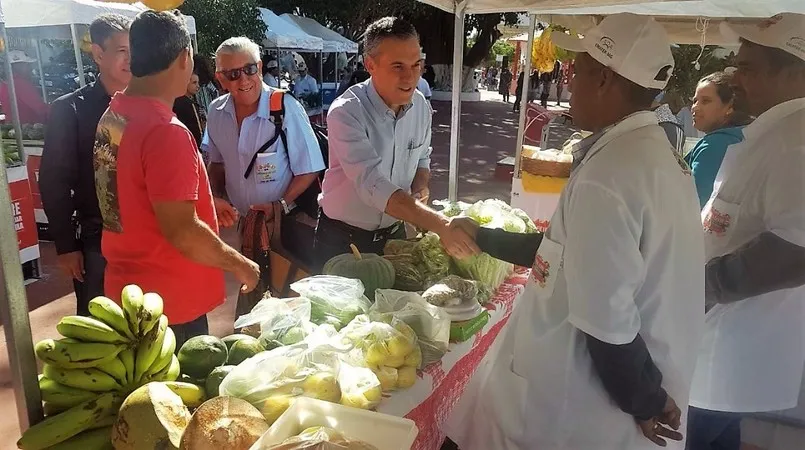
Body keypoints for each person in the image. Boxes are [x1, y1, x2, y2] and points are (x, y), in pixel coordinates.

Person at [449, 14, 705, 450]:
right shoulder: (651, 155)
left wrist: (643, 402)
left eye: (579, 71)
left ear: (604, 78)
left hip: (586, 409)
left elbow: (607, 320)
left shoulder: (611, 175)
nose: (569, 81)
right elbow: (562, 251)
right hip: (616, 391)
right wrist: (483, 235)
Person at [93, 10, 260, 346]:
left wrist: (206, 203)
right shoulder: (165, 131)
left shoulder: (116, 113)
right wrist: (241, 265)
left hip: (129, 290)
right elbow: (182, 230)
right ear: (185, 57)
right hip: (169, 305)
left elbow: (134, 191)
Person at [687, 13, 805, 450]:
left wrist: (694, 288)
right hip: (725, 347)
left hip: (732, 348)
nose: (736, 77)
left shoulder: (797, 141)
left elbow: (796, 250)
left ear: (796, 71)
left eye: (750, 67)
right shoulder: (774, 129)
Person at [314, 17, 478, 269]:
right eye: (398, 66)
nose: (409, 77)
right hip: (342, 240)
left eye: (416, 65)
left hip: (395, 238)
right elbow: (373, 185)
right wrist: (442, 225)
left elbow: (423, 158)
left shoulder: (421, 106)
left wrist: (420, 186)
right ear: (370, 64)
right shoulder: (346, 112)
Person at [204, 37, 324, 315]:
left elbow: (309, 168)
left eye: (249, 69)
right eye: (233, 74)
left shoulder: (284, 107)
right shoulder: (216, 112)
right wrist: (217, 196)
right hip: (241, 227)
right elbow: (217, 163)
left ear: (259, 66)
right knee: (250, 293)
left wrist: (279, 205)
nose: (243, 79)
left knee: (287, 299)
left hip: (282, 225)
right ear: (221, 78)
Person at [39, 14, 131, 316]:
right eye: (122, 51)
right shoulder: (71, 110)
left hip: (150, 236)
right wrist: (66, 246)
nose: (131, 59)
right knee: (102, 329)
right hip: (98, 241)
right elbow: (54, 180)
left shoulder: (153, 103)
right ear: (98, 54)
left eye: (135, 50)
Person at [684, 71, 752, 208]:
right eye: (695, 100)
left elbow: (692, 203)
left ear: (729, 106)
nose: (695, 107)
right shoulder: (747, 137)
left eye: (706, 101)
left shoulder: (713, 146)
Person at [0, 50, 49, 124]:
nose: (30, 68)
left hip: (14, 127)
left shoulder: (6, 83)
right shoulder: (20, 84)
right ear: (18, 66)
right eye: (27, 65)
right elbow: (40, 108)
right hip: (29, 128)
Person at [173, 72, 203, 146]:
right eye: (194, 83)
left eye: (198, 83)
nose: (198, 86)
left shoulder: (175, 101)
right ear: (186, 83)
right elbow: (197, 130)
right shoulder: (188, 104)